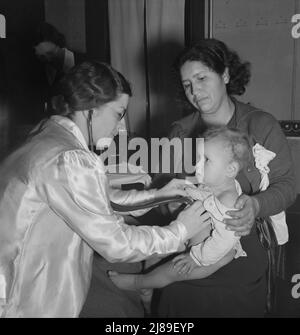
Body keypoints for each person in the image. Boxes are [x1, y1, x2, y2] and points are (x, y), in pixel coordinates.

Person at [0, 61, 213, 318]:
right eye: (118, 114)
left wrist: (160, 195)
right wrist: (180, 231)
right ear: (91, 108)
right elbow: (116, 244)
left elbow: (103, 200)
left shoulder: (48, 135)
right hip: (23, 296)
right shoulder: (69, 158)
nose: (119, 128)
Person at [150, 39, 296, 317]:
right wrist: (169, 205)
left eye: (202, 77)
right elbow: (161, 191)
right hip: (184, 269)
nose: (195, 90)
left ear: (226, 75)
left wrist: (256, 205)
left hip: (240, 275)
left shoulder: (260, 125)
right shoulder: (180, 132)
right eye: (187, 84)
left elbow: (288, 185)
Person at [109, 127, 252, 295]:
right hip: (192, 239)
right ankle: (148, 288)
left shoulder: (229, 200)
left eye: (206, 160)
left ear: (230, 169)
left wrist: (195, 258)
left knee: (174, 270)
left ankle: (138, 282)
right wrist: (184, 192)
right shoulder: (214, 183)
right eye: (197, 158)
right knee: (156, 255)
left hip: (212, 255)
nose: (197, 165)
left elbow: (223, 241)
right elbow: (201, 195)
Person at [33, 22, 86, 115]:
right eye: (42, 57)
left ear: (60, 44)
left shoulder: (84, 63)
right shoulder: (39, 69)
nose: (49, 59)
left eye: (51, 53)